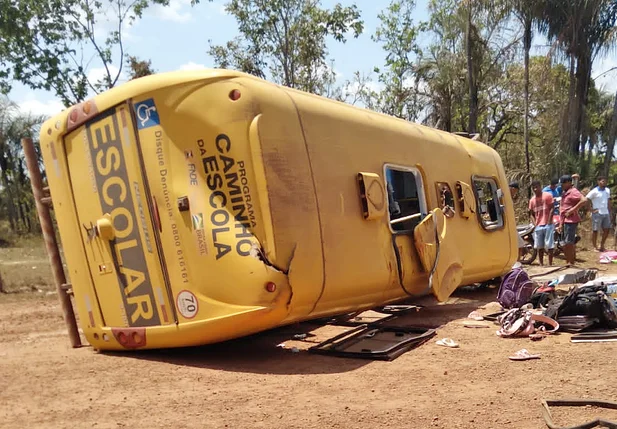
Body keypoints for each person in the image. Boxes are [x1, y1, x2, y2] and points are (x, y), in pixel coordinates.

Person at [558, 174, 588, 266]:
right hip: (564, 221)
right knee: (564, 243)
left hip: (571, 221)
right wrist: (560, 223)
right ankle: (568, 262)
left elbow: (584, 200)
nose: (562, 185)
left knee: (569, 243)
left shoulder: (573, 191)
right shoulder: (565, 193)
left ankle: (571, 263)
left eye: (563, 183)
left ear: (568, 183)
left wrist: (572, 210)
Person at [528, 180, 555, 266]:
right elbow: (531, 213)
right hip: (538, 225)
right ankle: (541, 263)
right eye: (533, 188)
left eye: (537, 187)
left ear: (540, 186)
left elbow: (552, 208)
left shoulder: (547, 196)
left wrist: (549, 221)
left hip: (548, 224)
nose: (535, 189)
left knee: (549, 245)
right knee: (540, 246)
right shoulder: (532, 200)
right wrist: (535, 224)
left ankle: (550, 264)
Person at [586, 176, 612, 251]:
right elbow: (587, 199)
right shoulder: (594, 191)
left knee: (607, 229)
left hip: (606, 213)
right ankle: (594, 246)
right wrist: (591, 209)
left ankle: (602, 245)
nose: (604, 183)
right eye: (603, 181)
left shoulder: (607, 190)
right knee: (595, 230)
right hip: (597, 213)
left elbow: (608, 200)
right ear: (598, 182)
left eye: (605, 181)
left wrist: (609, 209)